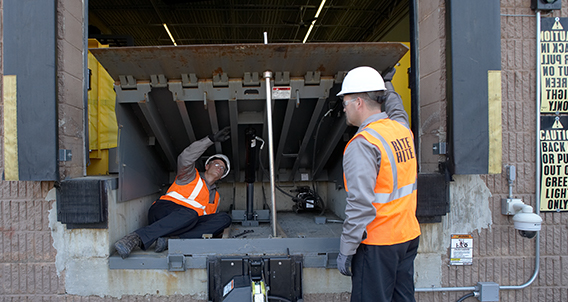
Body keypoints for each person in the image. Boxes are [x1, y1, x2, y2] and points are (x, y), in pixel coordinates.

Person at [336, 66, 421, 302]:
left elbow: (360, 204)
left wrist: (347, 249)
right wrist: (389, 87)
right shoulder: (402, 130)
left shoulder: (363, 144)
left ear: (359, 102)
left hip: (378, 243)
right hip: (407, 235)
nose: (344, 107)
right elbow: (397, 110)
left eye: (345, 101)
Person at [114, 127, 233, 259]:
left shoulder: (216, 197)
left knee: (224, 218)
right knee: (190, 214)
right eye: (216, 164)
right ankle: (136, 237)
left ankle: (170, 241)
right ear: (207, 166)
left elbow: (206, 224)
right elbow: (185, 157)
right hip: (163, 212)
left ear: (222, 176)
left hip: (185, 225)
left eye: (223, 168)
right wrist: (210, 139)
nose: (219, 168)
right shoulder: (189, 175)